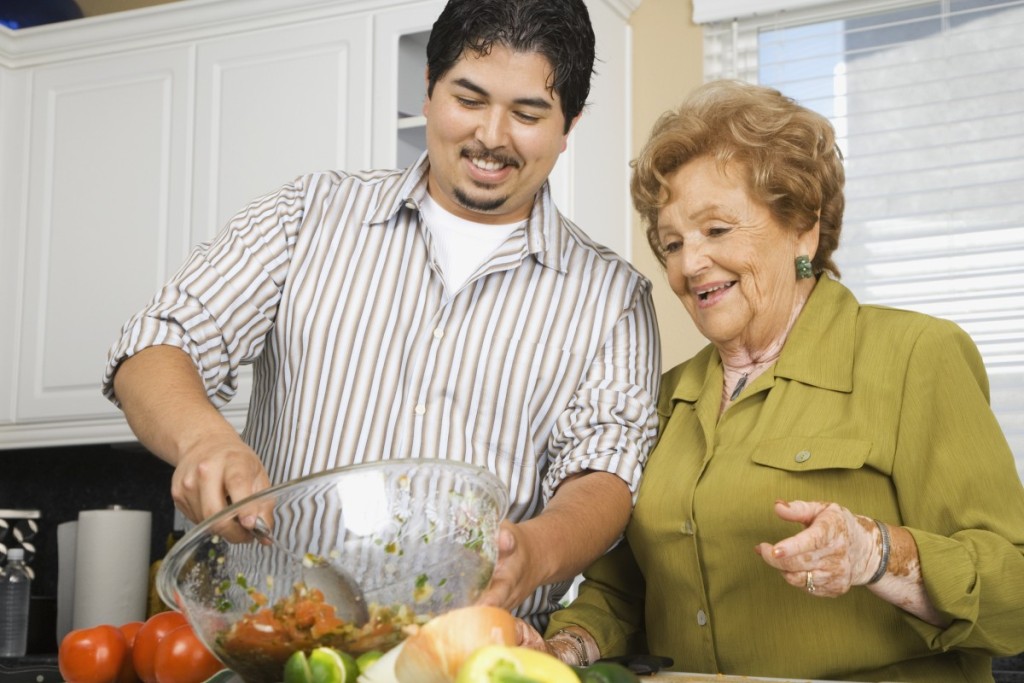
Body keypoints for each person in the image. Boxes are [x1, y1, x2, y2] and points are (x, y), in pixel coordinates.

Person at [100, 0, 660, 628]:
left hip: (471, 656)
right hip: (276, 646)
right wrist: (203, 440)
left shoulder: (614, 297)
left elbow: (604, 473)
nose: (492, 136)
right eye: (468, 100)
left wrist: (535, 552)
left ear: (568, 124)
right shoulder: (305, 215)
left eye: (527, 113)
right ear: (427, 88)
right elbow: (158, 342)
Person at [520, 79, 1024, 681]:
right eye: (671, 243)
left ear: (803, 228)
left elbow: (1012, 593)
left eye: (717, 230)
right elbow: (625, 591)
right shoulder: (663, 397)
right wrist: (565, 648)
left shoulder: (916, 355)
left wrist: (880, 555)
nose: (688, 264)